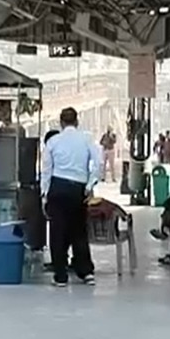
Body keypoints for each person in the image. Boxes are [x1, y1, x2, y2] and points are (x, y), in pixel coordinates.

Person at [41, 107, 103, 287]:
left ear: (61, 123)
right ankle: (86, 272)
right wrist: (90, 185)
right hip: (78, 189)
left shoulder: (53, 141)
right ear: (77, 122)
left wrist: (44, 194)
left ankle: (60, 276)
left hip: (58, 187)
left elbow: (46, 170)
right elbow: (99, 163)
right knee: (79, 231)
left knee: (57, 232)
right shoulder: (86, 139)